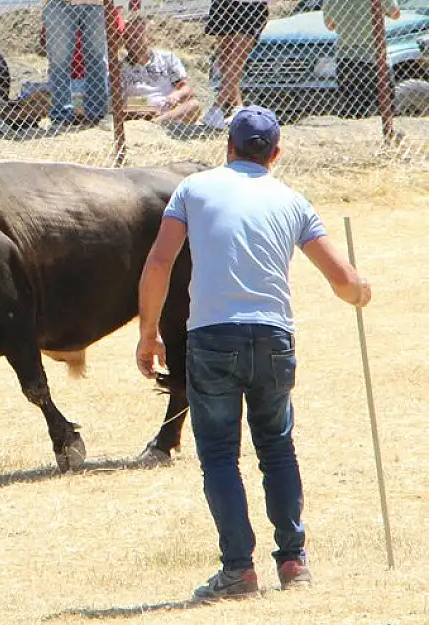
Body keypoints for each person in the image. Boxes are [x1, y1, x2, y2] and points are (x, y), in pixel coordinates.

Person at [135, 106, 372, 602]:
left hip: (212, 337)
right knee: (277, 447)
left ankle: (238, 571)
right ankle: (293, 560)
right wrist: (360, 292)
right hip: (272, 337)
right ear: (277, 154)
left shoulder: (193, 189)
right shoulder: (292, 201)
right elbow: (345, 283)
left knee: (220, 454)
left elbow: (160, 261)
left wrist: (149, 332)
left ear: (228, 147)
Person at [323, 0, 401, 118]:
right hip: (374, 58)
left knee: (353, 109)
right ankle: (388, 130)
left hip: (346, 59)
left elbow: (330, 25)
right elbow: (395, 14)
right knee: (386, 106)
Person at [202, 0, 270, 129]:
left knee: (238, 56)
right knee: (224, 56)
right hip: (224, 4)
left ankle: (217, 108)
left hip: (251, 6)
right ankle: (237, 108)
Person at [120, 16, 201, 124]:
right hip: (139, 110)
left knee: (193, 105)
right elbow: (119, 102)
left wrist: (177, 95)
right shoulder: (120, 67)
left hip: (167, 107)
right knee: (129, 104)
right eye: (126, 37)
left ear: (148, 37)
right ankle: (160, 122)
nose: (130, 41)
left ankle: (159, 121)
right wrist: (151, 106)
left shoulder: (167, 58)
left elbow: (186, 88)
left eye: (135, 36)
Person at [42, 0, 109, 128]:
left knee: (97, 59)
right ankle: (62, 116)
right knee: (59, 62)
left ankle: (97, 114)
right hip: (60, 3)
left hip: (94, 3)